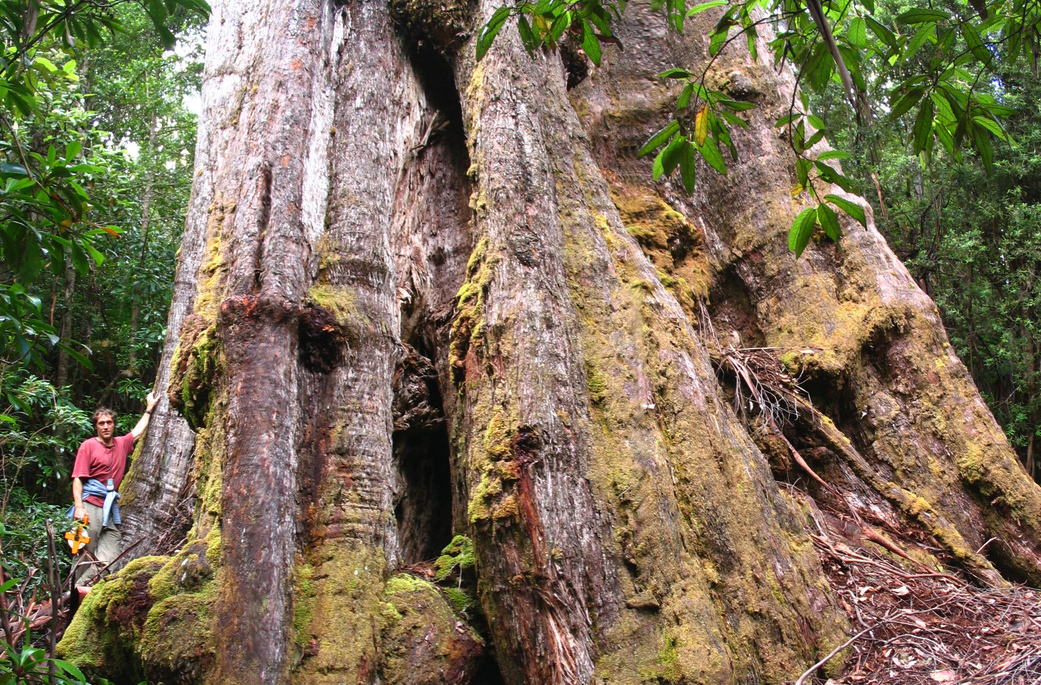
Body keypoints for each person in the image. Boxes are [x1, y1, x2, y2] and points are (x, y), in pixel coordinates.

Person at [68, 391, 159, 594]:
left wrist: (149, 409)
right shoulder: (88, 446)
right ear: (96, 427)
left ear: (114, 424)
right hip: (90, 503)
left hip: (110, 508)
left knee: (111, 556)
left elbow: (137, 432)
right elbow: (78, 479)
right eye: (101, 423)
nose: (106, 426)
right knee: (84, 552)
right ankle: (72, 596)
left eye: (109, 422)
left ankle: (82, 589)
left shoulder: (120, 444)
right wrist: (79, 508)